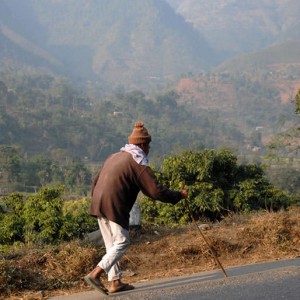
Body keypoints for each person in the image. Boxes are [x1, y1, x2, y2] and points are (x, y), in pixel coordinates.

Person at [84, 121, 188, 295]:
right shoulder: (137, 160)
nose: (148, 150)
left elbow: (96, 180)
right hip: (113, 204)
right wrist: (178, 195)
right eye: (148, 146)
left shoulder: (114, 156)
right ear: (142, 144)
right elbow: (155, 191)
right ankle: (95, 274)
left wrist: (98, 199)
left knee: (112, 245)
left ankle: (115, 281)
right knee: (122, 242)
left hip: (98, 203)